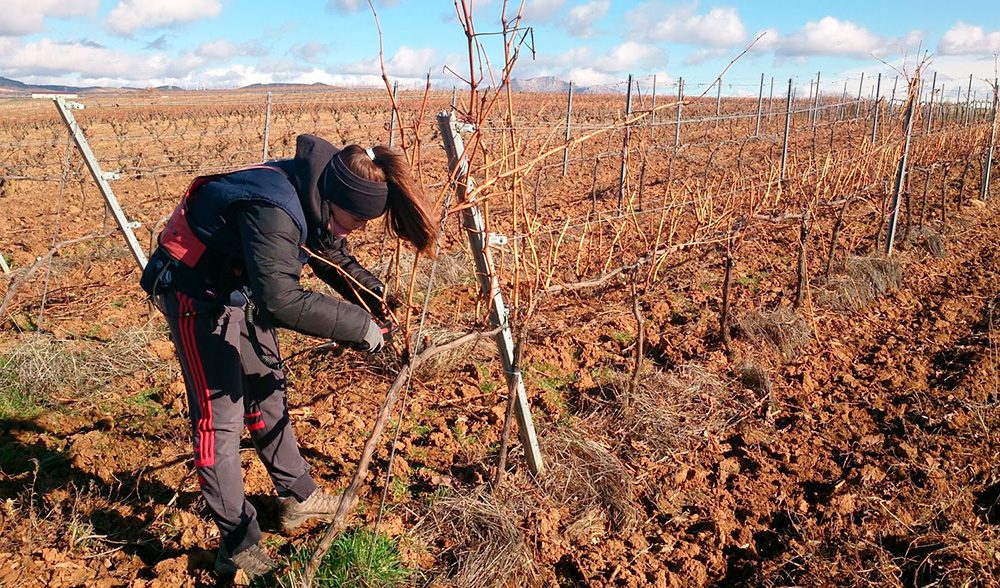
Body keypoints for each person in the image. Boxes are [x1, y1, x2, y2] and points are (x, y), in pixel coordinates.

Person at [139, 134, 436, 578]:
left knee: (268, 392)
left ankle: (297, 496)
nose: (354, 231)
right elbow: (280, 300)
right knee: (220, 421)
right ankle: (237, 543)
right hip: (194, 292)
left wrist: (379, 301)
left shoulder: (320, 193)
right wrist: (359, 327)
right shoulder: (275, 208)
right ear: (334, 201)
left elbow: (330, 255)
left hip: (240, 286)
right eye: (354, 221)